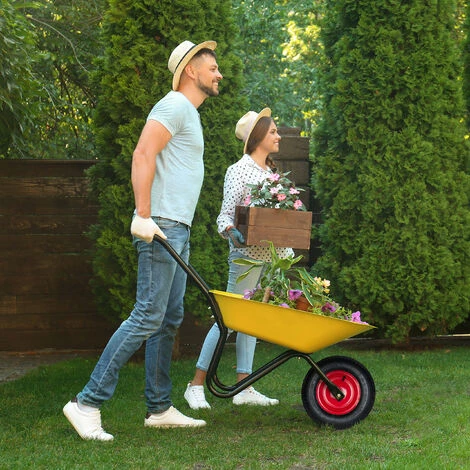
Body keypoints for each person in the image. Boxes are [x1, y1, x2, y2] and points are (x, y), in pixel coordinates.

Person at [63, 39, 223, 441]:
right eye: (212, 67)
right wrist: (144, 214)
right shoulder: (174, 105)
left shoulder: (189, 113)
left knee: (168, 319)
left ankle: (159, 407)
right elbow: (142, 153)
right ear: (190, 70)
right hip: (161, 225)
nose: (219, 74)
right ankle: (86, 403)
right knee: (148, 315)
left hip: (177, 228)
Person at [184, 108, 294, 410]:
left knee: (251, 320)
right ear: (257, 137)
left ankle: (244, 387)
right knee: (228, 319)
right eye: (273, 132)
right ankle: (195, 385)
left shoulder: (271, 174)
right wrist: (232, 232)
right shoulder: (239, 170)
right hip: (246, 259)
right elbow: (225, 216)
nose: (278, 136)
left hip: (270, 258)